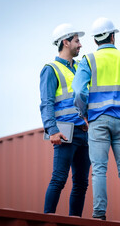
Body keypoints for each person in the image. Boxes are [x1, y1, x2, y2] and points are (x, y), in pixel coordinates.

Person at [72, 17, 120, 223]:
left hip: (97, 120)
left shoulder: (88, 60)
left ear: (95, 40)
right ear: (113, 36)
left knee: (98, 170)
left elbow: (78, 91)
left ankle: (99, 215)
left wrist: (84, 112)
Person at [39, 23, 91, 216]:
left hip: (84, 133)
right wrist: (51, 130)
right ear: (65, 42)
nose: (80, 45)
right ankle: (47, 218)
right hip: (64, 132)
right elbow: (46, 102)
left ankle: (75, 221)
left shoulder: (80, 67)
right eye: (77, 40)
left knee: (81, 183)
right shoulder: (50, 69)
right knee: (59, 179)